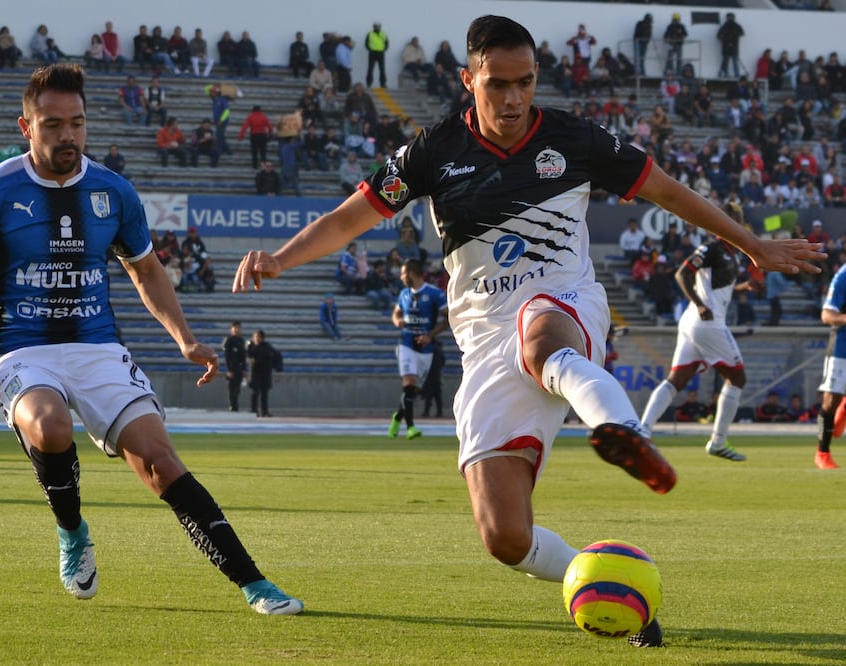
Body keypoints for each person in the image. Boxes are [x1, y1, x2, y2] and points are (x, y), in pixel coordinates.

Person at [231, 15, 824, 647]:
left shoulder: (576, 138)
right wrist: (281, 258)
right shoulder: (431, 152)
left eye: (526, 82)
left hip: (563, 300)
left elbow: (666, 191)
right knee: (505, 537)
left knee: (541, 338)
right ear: (469, 80)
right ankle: (611, 585)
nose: (514, 98)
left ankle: (622, 428)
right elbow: (351, 217)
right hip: (484, 335)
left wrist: (752, 244)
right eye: (498, 84)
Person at [0, 63, 302, 614]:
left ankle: (254, 584)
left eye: (77, 123)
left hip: (97, 345)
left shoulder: (113, 191)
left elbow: (146, 270)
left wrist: (184, 339)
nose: (68, 135)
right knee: (51, 426)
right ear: (26, 127)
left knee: (160, 462)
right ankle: (72, 531)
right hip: (18, 345)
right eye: (53, 125)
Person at [640, 202, 760, 463]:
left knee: (676, 380)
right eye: (731, 218)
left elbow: (718, 287)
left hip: (696, 322)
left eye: (737, 218)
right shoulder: (712, 247)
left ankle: (643, 431)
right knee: (738, 378)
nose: (736, 223)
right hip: (707, 321)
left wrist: (743, 287)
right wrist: (699, 303)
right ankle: (718, 441)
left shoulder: (731, 253)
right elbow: (682, 274)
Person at [387, 258, 448, 440]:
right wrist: (397, 321)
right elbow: (396, 313)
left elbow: (448, 318)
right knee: (409, 384)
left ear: (412, 273)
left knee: (413, 391)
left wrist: (430, 335)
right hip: (406, 344)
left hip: (425, 347)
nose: (401, 276)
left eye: (403, 273)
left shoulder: (435, 294)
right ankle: (411, 427)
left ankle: (397, 418)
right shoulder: (404, 294)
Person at [814, 259, 846, 469]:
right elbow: (827, 314)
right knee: (830, 400)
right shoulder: (843, 276)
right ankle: (822, 453)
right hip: (842, 345)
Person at [247, 329, 278, 417]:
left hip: (265, 374)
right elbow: (247, 356)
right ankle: (254, 410)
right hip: (255, 374)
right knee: (255, 393)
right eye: (255, 337)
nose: (257, 339)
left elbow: (274, 356)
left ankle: (265, 411)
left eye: (259, 337)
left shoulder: (267, 347)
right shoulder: (251, 347)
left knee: (264, 394)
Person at [238, 105, 274, 170]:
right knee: (263, 152)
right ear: (260, 110)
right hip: (262, 136)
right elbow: (270, 127)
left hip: (254, 136)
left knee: (254, 152)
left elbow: (244, 127)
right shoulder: (263, 117)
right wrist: (270, 135)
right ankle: (263, 166)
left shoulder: (250, 117)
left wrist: (241, 136)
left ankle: (255, 166)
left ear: (253, 110)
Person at [223, 321, 248, 412]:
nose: (237, 330)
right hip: (232, 368)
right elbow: (227, 357)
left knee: (237, 388)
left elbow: (243, 357)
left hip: (239, 369)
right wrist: (229, 370)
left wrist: (244, 369)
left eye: (238, 328)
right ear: (231, 329)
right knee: (231, 388)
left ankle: (235, 405)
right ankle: (232, 405)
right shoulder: (229, 341)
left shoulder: (242, 341)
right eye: (235, 328)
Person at [421, 339, 446, 419]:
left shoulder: (430, 350)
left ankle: (427, 411)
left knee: (429, 395)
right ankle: (439, 411)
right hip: (437, 374)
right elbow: (443, 362)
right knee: (437, 395)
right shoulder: (440, 350)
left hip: (430, 374)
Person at [717, 13, 744, 79]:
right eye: (729, 17)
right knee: (726, 62)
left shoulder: (736, 26)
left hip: (733, 47)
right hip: (727, 47)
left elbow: (742, 33)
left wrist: (733, 37)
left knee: (734, 61)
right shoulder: (724, 26)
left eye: (731, 17)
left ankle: (736, 74)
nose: (729, 18)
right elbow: (718, 36)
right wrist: (725, 38)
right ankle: (726, 74)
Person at [365, 21, 389, 89]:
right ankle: (369, 83)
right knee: (370, 69)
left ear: (380, 27)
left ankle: (383, 84)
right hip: (372, 53)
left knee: (382, 69)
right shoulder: (370, 34)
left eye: (378, 26)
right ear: (374, 27)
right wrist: (370, 49)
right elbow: (366, 43)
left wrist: (383, 49)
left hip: (381, 53)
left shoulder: (383, 34)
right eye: (376, 26)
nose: (377, 28)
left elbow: (387, 43)